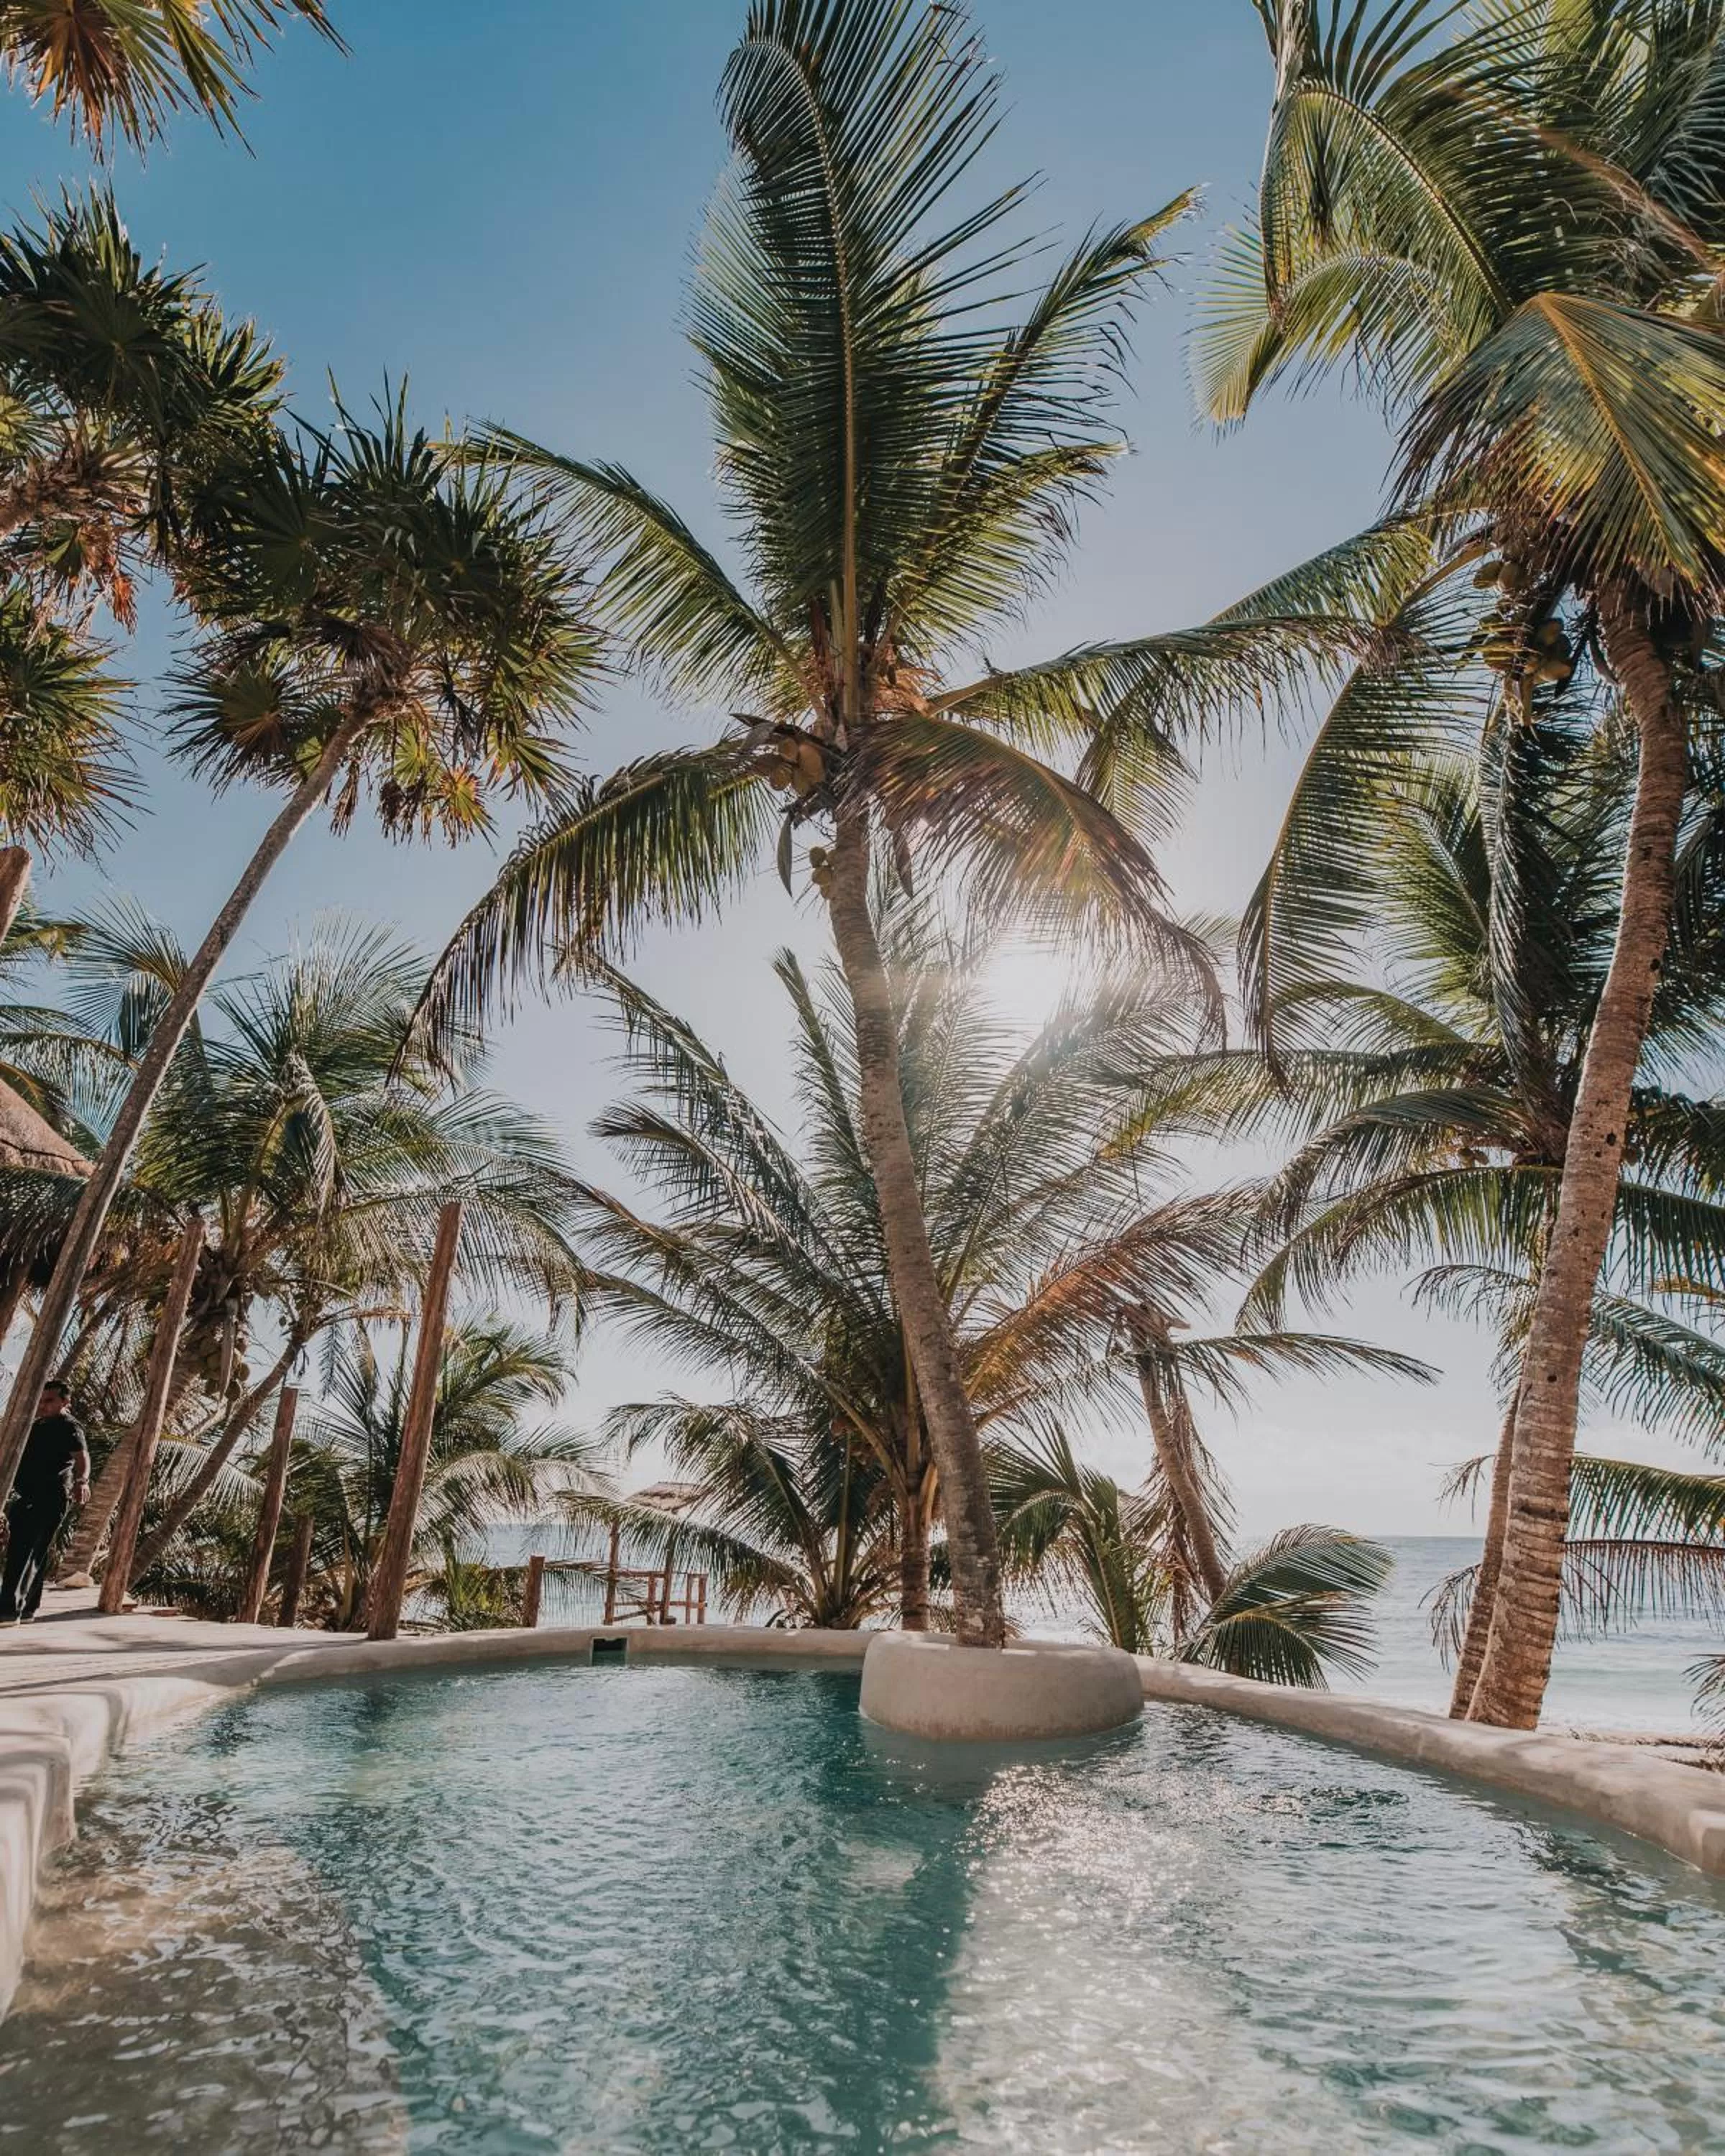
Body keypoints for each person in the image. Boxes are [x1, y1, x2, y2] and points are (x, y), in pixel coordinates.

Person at [0, 1381, 89, 1623]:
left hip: (50, 1497)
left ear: (65, 1402)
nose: (43, 1405)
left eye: (49, 1400)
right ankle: (28, 1608)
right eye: (41, 1400)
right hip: (26, 1496)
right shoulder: (36, 1425)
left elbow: (82, 1457)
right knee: (31, 1551)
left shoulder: (69, 1427)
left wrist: (82, 1481)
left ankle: (8, 1610)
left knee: (24, 1549)